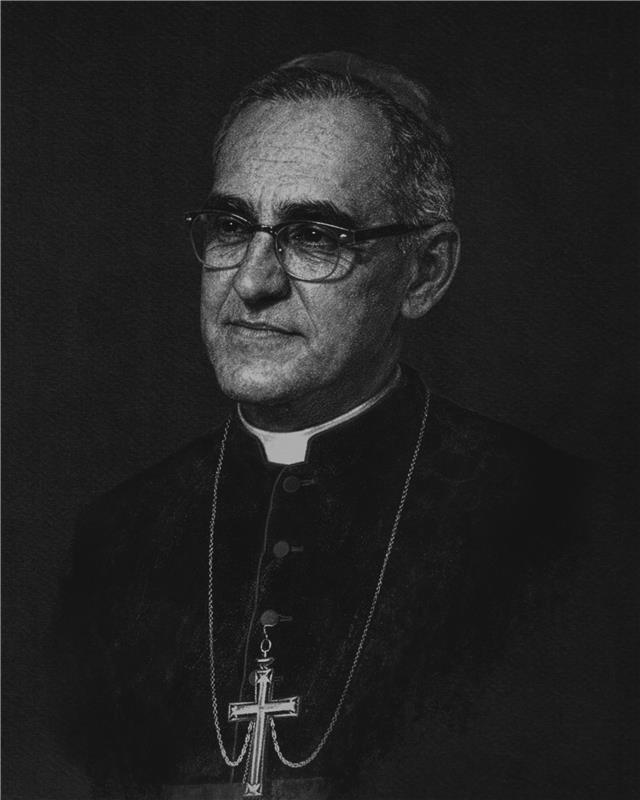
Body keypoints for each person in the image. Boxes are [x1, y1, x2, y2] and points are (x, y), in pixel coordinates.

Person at [63, 53, 596, 800]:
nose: (253, 282)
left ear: (424, 273)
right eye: (230, 226)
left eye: (314, 235)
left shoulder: (565, 521)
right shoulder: (115, 538)